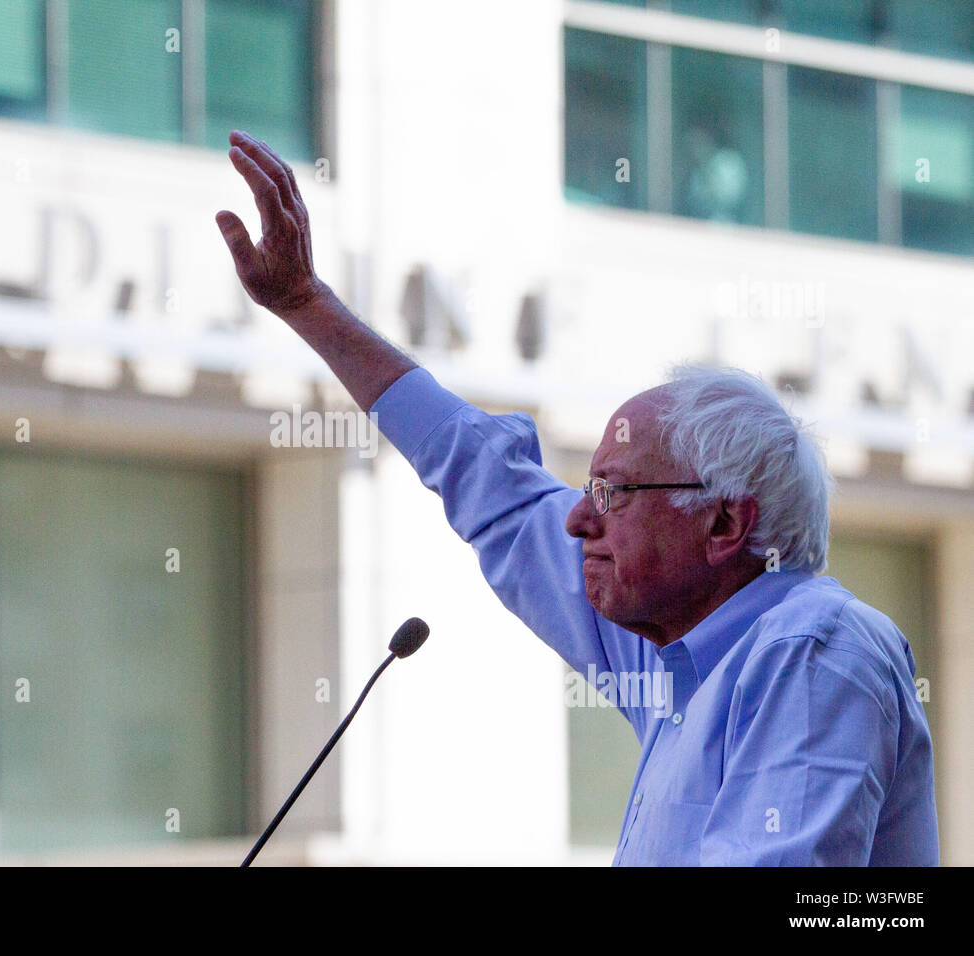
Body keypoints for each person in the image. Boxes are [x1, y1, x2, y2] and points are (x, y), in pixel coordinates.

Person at [214, 130, 940, 865]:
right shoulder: (677, 654)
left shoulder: (810, 647)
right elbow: (495, 487)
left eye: (615, 492)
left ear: (724, 523)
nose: (578, 516)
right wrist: (308, 305)